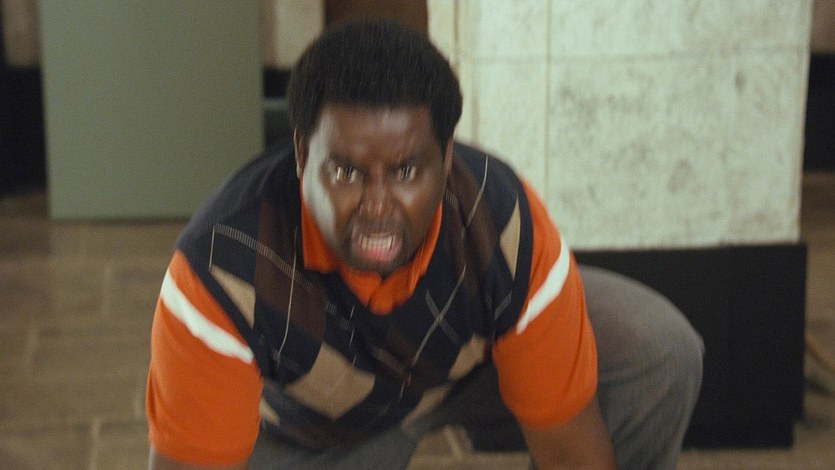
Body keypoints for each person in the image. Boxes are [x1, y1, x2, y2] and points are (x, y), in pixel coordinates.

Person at [146, 19, 703, 470]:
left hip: (464, 375)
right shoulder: (222, 271)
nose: (378, 206)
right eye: (346, 172)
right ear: (301, 154)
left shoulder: (503, 223)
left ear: (447, 158)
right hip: (315, 431)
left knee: (654, 349)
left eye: (407, 171)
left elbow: (572, 458)